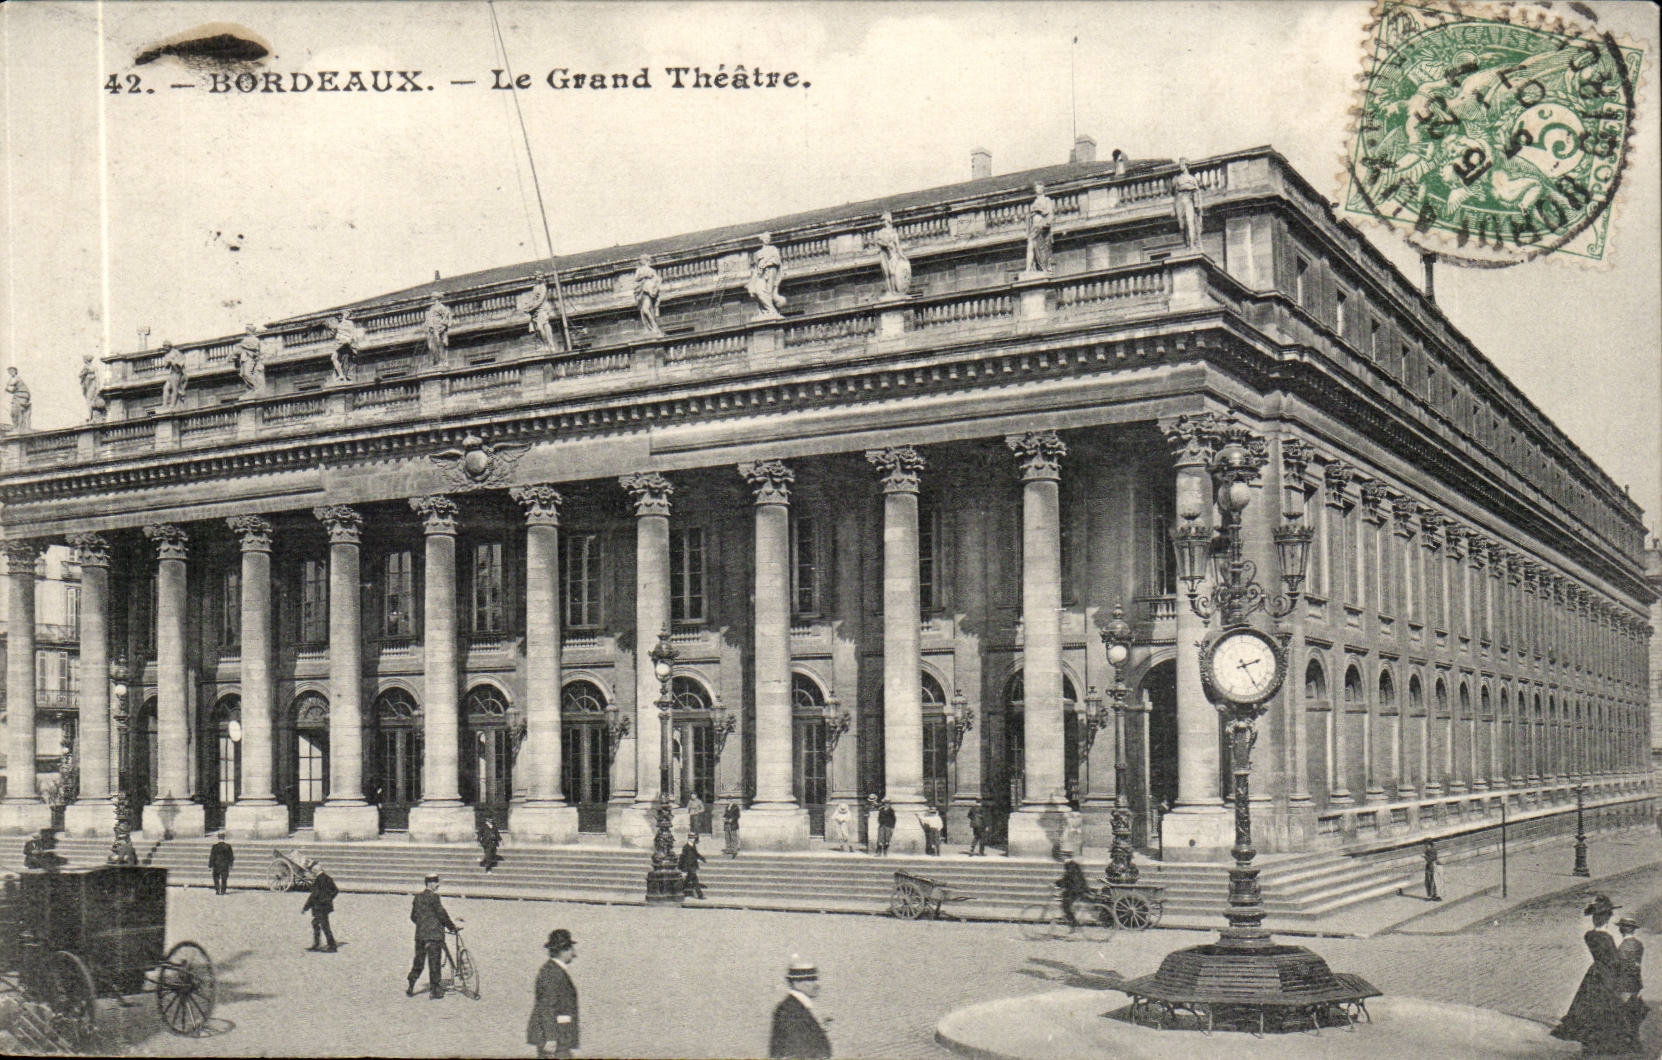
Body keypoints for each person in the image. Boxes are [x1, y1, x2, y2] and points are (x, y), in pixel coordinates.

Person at [1553, 894, 1640, 1053]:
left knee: (1589, 1001)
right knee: (1608, 1003)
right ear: (1606, 919)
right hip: (1607, 973)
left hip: (1595, 971)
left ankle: (1588, 1031)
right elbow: (1613, 959)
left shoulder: (1589, 935)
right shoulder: (1606, 938)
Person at [527, 928, 579, 1059]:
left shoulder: (554, 971)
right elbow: (547, 1006)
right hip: (554, 1040)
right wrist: (551, 1038)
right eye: (572, 949)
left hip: (558, 1038)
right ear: (563, 950)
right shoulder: (552, 973)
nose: (574, 954)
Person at [408, 873, 458, 999]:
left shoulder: (417, 897)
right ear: (429, 883)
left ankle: (411, 984)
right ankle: (435, 990)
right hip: (434, 936)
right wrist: (451, 927)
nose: (438, 884)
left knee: (418, 961)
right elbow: (442, 914)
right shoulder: (434, 897)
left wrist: (422, 925)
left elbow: (413, 916)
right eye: (436, 882)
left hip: (420, 935)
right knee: (434, 963)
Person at [769, 957, 831, 1060]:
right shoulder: (790, 1011)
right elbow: (797, 1051)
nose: (817, 984)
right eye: (810, 979)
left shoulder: (794, 1007)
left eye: (816, 979)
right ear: (796, 983)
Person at [1618, 916, 1647, 1036]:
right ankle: (1634, 1035)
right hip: (1636, 981)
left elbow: (1623, 966)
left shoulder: (1624, 946)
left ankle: (1629, 1038)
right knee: (1633, 1008)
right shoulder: (1638, 944)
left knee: (1625, 1009)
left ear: (1622, 929)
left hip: (1626, 982)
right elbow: (1636, 964)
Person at [747, 232, 786, 317]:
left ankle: (770, 311)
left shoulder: (773, 249)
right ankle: (767, 310)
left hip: (772, 271)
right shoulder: (758, 253)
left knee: (769, 290)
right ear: (762, 240)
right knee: (760, 290)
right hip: (762, 274)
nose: (768, 240)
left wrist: (767, 263)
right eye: (766, 238)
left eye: (769, 238)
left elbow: (777, 260)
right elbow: (756, 266)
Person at [873, 211, 911, 297]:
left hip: (893, 254)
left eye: (884, 220)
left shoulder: (894, 233)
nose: (883, 222)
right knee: (886, 273)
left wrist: (902, 255)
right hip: (884, 254)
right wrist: (886, 244)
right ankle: (889, 291)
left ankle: (894, 290)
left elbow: (898, 247)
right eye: (882, 221)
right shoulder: (880, 233)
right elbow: (879, 242)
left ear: (889, 220)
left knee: (893, 272)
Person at [303, 861, 339, 952]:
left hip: (320, 907)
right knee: (316, 923)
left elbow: (313, 896)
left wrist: (305, 907)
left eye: (312, 871)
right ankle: (317, 944)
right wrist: (329, 899)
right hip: (326, 907)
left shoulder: (318, 881)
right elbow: (335, 890)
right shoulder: (328, 878)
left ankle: (332, 945)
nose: (312, 872)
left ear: (315, 871)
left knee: (324, 926)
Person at [1173, 158, 1203, 249]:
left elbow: (1196, 192)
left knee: (1190, 222)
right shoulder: (1177, 179)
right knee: (1181, 225)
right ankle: (1186, 244)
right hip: (1179, 201)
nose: (1180, 167)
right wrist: (1173, 208)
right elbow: (1175, 193)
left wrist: (1197, 204)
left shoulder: (1192, 178)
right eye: (1180, 165)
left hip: (1188, 200)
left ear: (1186, 165)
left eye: (1182, 164)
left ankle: (1192, 244)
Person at [1025, 182, 1054, 273]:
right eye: (1037, 188)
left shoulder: (1046, 199)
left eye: (1040, 188)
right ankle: (1029, 269)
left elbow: (1050, 212)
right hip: (1034, 226)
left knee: (1040, 247)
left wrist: (1040, 211)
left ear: (1043, 189)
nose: (1038, 190)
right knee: (1031, 245)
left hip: (1041, 225)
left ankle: (1042, 268)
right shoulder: (1034, 202)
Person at [1055, 858, 1091, 931]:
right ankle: (1072, 921)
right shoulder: (1073, 865)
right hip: (1077, 888)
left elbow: (1067, 878)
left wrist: (1057, 883)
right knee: (1065, 902)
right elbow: (1067, 878)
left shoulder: (1071, 866)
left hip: (1077, 890)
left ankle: (1074, 925)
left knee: (1066, 906)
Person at [633, 255, 663, 334]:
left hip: (648, 292)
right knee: (644, 310)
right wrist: (645, 276)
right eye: (640, 260)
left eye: (642, 259)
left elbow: (656, 281)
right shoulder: (639, 270)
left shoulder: (652, 270)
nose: (641, 261)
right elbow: (636, 278)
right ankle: (650, 327)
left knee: (646, 309)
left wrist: (652, 290)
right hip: (641, 291)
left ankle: (653, 326)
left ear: (646, 260)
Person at [678, 833, 708, 899]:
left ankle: (678, 891)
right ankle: (700, 895)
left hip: (692, 866)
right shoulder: (686, 847)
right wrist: (684, 870)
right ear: (689, 838)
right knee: (695, 880)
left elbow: (696, 854)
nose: (693, 839)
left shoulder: (693, 845)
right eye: (692, 838)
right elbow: (683, 858)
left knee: (687, 881)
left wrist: (702, 858)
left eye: (694, 838)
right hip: (689, 867)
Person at [160, 343, 188, 409]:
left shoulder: (176, 352)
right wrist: (168, 363)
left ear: (169, 346)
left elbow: (182, 361)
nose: (165, 349)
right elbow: (166, 366)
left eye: (165, 347)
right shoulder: (167, 355)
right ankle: (164, 405)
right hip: (172, 374)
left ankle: (172, 405)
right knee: (165, 388)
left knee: (174, 389)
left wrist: (174, 362)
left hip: (177, 373)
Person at [79, 355, 106, 422]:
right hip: (87, 387)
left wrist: (98, 388)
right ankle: (90, 416)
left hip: (92, 386)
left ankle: (91, 417)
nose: (84, 361)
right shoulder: (85, 368)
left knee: (90, 401)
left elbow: (97, 379)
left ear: (86, 360)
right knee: (89, 400)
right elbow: (80, 375)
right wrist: (85, 373)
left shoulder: (94, 368)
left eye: (84, 359)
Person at [6, 366, 31, 432]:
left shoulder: (17, 378)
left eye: (12, 371)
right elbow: (12, 390)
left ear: (15, 372)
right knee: (13, 413)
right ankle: (16, 427)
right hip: (17, 397)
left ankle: (19, 428)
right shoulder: (14, 379)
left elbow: (12, 383)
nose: (11, 373)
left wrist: (7, 385)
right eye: (10, 372)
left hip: (22, 396)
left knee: (18, 411)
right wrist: (7, 389)